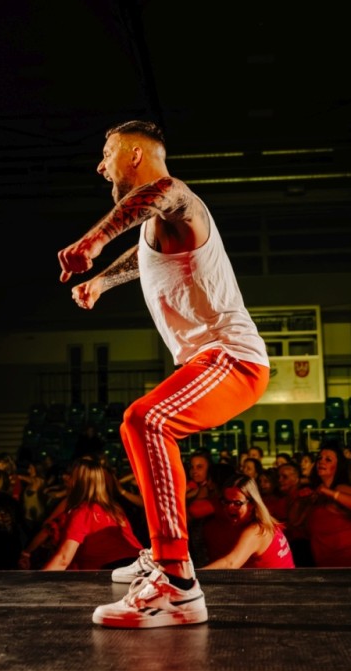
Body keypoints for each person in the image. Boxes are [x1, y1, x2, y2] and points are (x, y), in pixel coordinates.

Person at [57, 119, 269, 627]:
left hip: (233, 357)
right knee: (138, 427)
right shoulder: (160, 228)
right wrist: (101, 282)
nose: (100, 166)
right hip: (207, 360)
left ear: (134, 154)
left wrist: (94, 239)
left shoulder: (180, 199)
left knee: (146, 420)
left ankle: (177, 582)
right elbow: (145, 254)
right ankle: (162, 554)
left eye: (107, 152)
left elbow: (165, 191)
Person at [42, 457, 143, 571]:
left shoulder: (84, 511)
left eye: (70, 475)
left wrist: (36, 580)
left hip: (114, 570)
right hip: (137, 566)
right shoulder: (113, 508)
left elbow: (63, 559)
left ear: (79, 482)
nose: (65, 478)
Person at [289, 442, 351, 567]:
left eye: (328, 460)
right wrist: (300, 501)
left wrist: (329, 492)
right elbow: (295, 522)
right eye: (319, 458)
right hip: (326, 564)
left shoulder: (341, 488)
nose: (321, 462)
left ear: (338, 466)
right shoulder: (315, 493)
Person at [202, 474, 294, 570]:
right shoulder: (258, 523)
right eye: (226, 502)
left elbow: (231, 564)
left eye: (237, 503)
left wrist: (195, 576)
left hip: (281, 580)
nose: (230, 507)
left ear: (252, 504)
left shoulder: (257, 530)